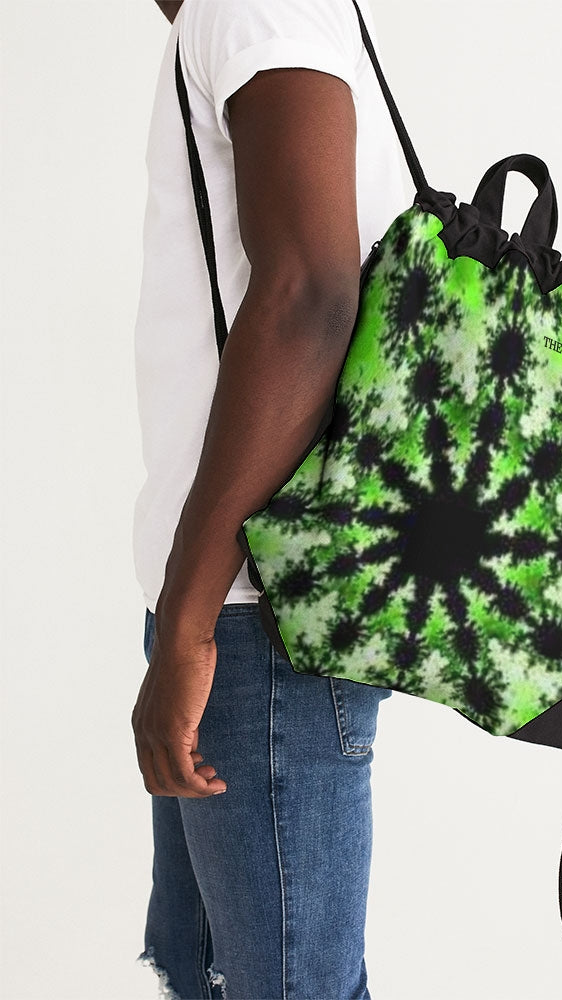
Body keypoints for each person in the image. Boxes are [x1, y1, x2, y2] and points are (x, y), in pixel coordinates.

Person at [130, 0, 407, 996]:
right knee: (212, 970)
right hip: (235, 602)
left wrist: (189, 625)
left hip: (254, 613)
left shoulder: (248, 5)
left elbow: (310, 294)